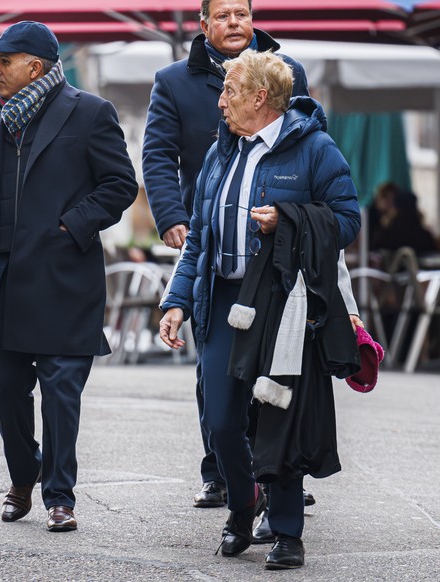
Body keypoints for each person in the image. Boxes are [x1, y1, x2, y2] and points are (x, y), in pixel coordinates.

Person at [159, 50, 361, 569]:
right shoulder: (221, 151)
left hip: (281, 300)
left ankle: (288, 532)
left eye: (228, 92)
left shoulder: (314, 148)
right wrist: (177, 301)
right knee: (222, 418)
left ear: (259, 98)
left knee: (278, 413)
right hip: (225, 299)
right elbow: (199, 237)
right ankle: (245, 501)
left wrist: (289, 220)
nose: (220, 102)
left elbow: (346, 220)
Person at [142, 0, 309, 510]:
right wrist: (173, 216)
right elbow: (156, 152)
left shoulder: (287, 73)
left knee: (274, 364)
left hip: (274, 246)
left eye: (243, 12)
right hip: (208, 235)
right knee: (214, 368)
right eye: (224, 14)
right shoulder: (173, 80)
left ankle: (275, 474)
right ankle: (220, 470)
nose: (234, 22)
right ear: (204, 24)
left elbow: (308, 142)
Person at [0, 21, 138, 532]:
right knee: (4, 386)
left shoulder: (90, 112)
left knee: (62, 390)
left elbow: (119, 185)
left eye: (4, 59)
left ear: (35, 67)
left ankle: (58, 494)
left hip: (63, 278)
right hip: (1, 281)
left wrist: (69, 227)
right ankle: (24, 474)